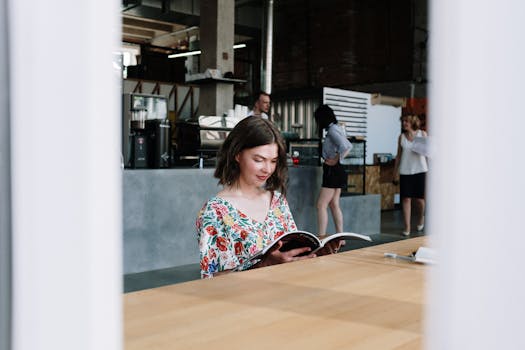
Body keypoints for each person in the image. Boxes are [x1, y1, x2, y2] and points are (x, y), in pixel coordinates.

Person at [196, 116, 315, 278]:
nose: (267, 169)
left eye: (273, 161)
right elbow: (211, 280)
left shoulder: (277, 201)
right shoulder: (216, 211)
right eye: (259, 160)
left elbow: (292, 256)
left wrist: (313, 254)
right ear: (237, 155)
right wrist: (263, 264)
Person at [314, 105, 353, 236]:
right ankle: (340, 237)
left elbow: (347, 145)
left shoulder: (332, 131)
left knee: (321, 205)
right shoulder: (336, 128)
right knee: (334, 204)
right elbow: (346, 146)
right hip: (337, 170)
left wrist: (336, 158)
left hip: (333, 170)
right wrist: (338, 158)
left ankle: (321, 237)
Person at [393, 114, 428, 236]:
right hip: (405, 171)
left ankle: (421, 218)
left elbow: (427, 153)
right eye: (403, 121)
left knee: (419, 200)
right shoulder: (401, 137)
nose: (404, 124)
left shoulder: (422, 134)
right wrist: (395, 172)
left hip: (420, 170)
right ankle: (407, 226)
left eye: (406, 121)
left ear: (412, 122)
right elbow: (398, 156)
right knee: (406, 198)